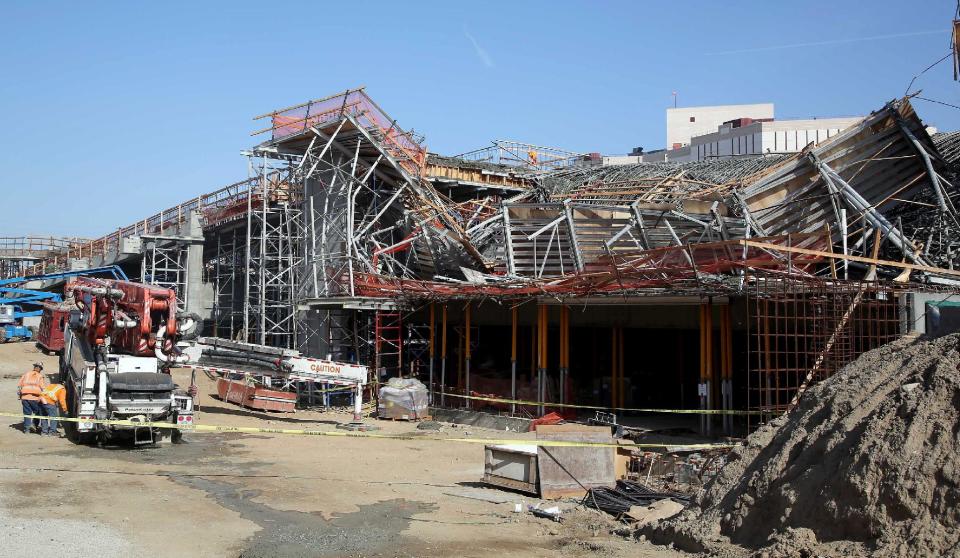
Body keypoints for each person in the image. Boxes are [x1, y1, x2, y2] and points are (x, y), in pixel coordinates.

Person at [17, 363, 48, 434]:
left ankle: (27, 430)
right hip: (35, 398)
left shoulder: (26, 374)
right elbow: (43, 388)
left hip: (25, 397)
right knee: (38, 412)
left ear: (34, 367)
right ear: (40, 369)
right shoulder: (40, 376)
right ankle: (34, 425)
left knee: (27, 414)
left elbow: (19, 386)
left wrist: (20, 396)